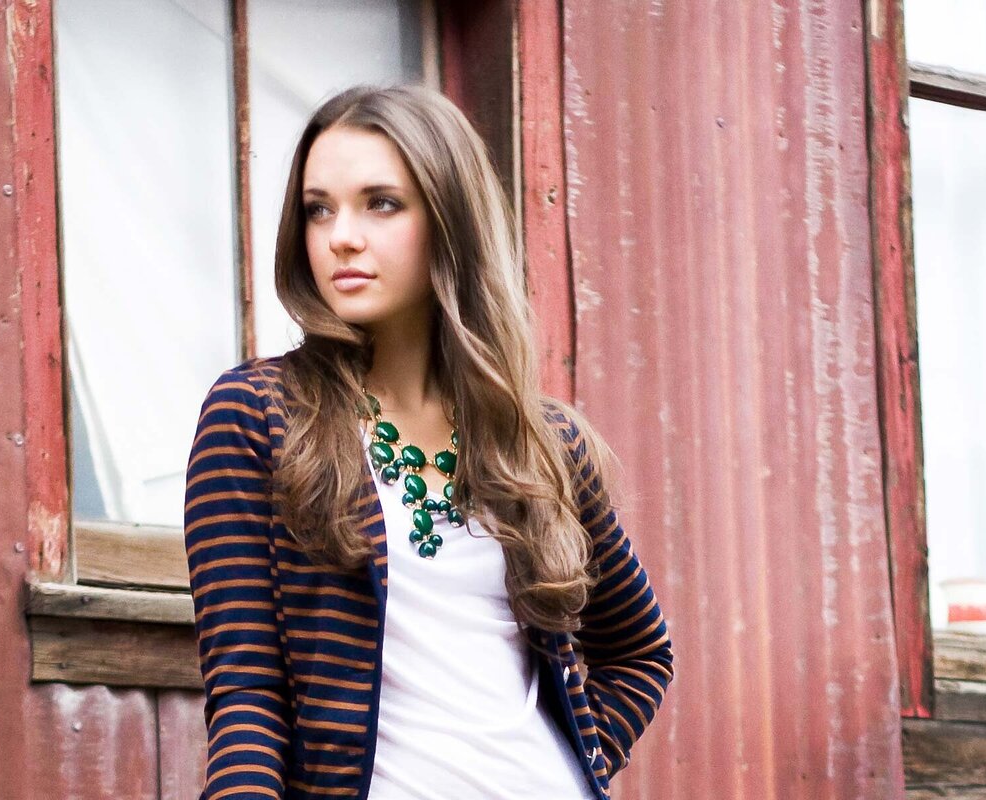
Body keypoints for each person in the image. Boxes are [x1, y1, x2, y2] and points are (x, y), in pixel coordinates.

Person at [183, 84, 673, 800]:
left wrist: (577, 761)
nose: (340, 235)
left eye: (380, 203)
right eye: (319, 208)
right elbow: (248, 694)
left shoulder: (541, 443)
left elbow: (639, 651)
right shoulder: (258, 416)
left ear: (450, 219)